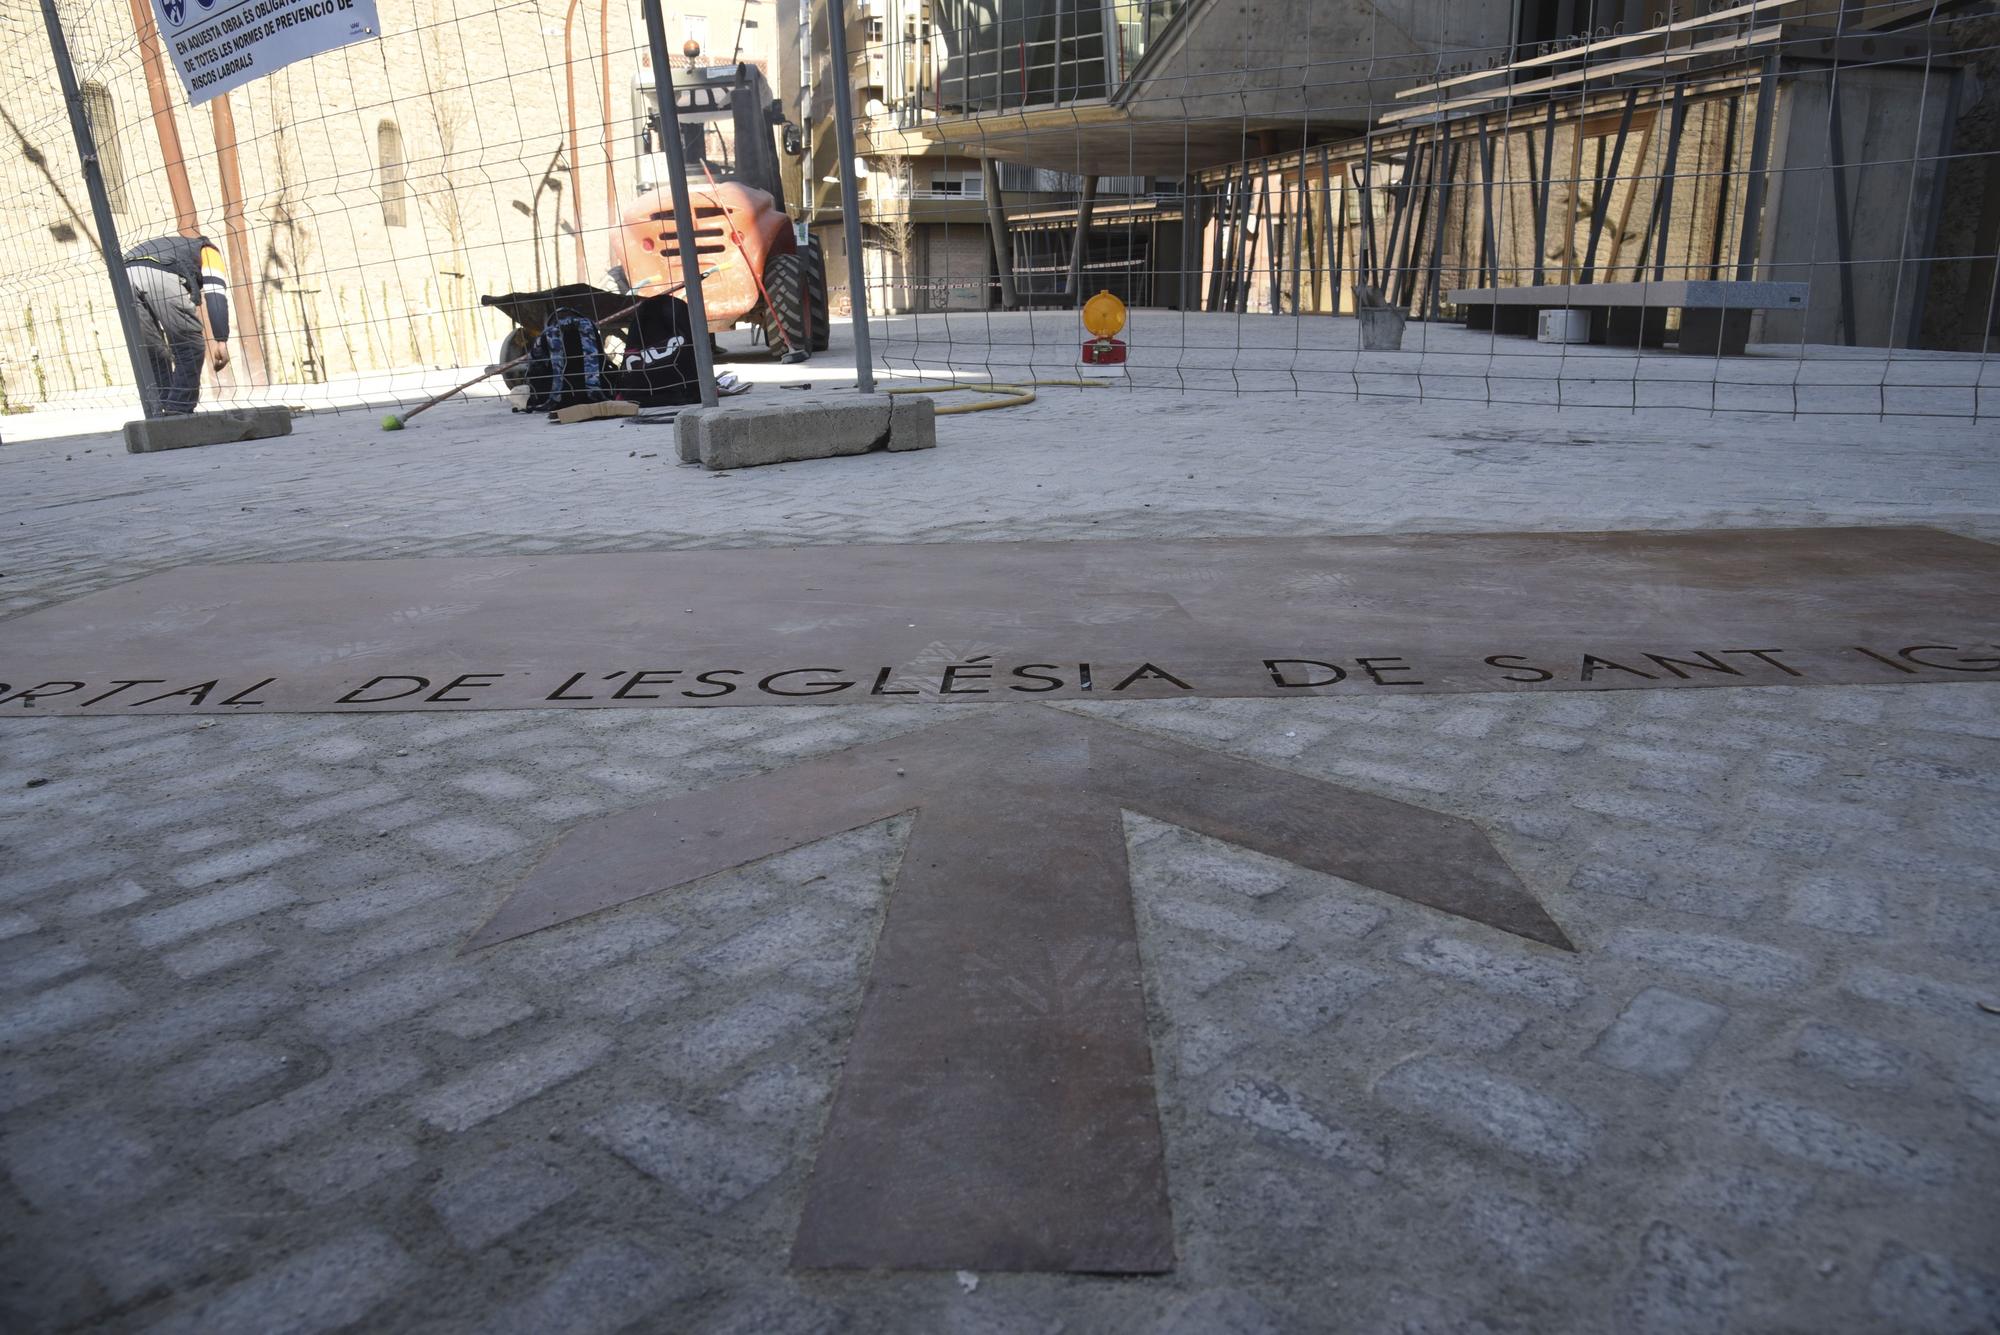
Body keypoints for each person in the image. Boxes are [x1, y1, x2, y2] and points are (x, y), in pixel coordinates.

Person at [123, 233, 231, 414]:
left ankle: (162, 407)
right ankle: (179, 410)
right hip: (160, 272)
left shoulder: (175, 245)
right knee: (189, 347)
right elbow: (216, 295)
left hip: (123, 274)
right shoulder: (209, 251)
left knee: (153, 351)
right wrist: (221, 339)